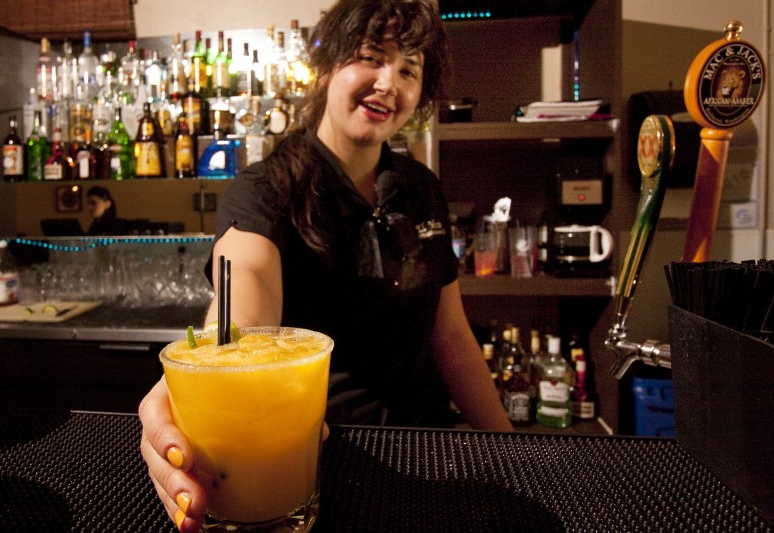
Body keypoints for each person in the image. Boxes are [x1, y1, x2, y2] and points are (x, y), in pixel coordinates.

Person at [140, 1, 513, 530]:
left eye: (409, 70)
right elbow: (244, 292)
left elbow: (450, 335)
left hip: (427, 448)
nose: (389, 83)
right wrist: (214, 373)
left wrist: (509, 451)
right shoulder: (266, 189)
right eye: (372, 58)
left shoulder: (420, 187)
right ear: (326, 68)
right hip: (322, 461)